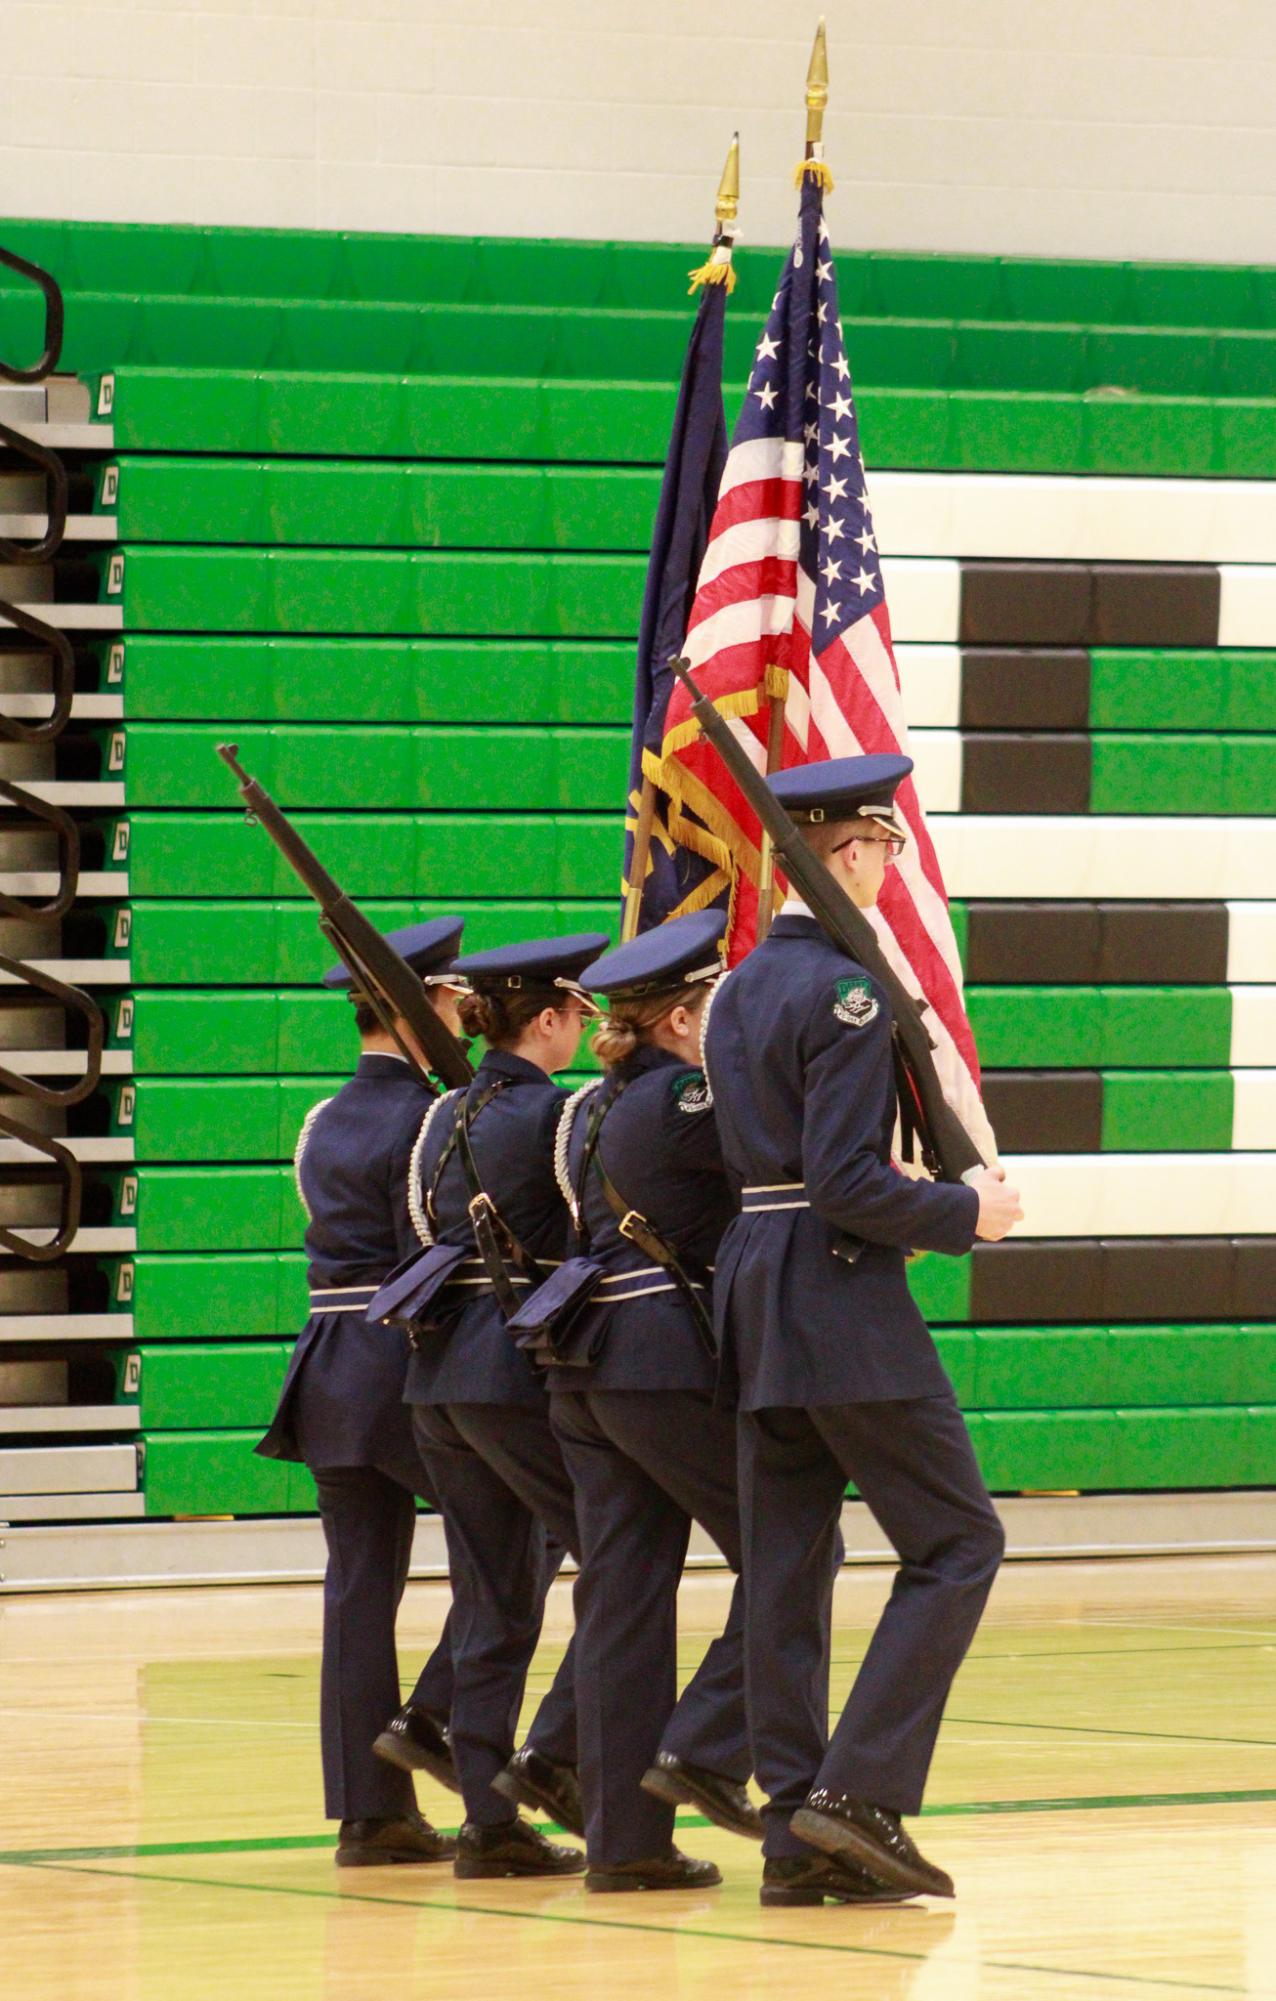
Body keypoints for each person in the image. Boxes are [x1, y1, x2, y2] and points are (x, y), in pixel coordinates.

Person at [704, 753, 1023, 1903]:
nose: (894, 866)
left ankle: (795, 1837)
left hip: (754, 1295)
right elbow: (841, 1181)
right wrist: (963, 1213)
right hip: (839, 1297)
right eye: (886, 846)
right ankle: (859, 1793)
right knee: (957, 1542)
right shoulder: (844, 989)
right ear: (849, 850)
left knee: (787, 1572)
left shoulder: (737, 987)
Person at [534, 911, 767, 1893]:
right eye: (713, 1003)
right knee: (791, 1547)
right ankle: (704, 1743)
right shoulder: (681, 1094)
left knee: (625, 1595)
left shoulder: (589, 1105)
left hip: (584, 1365)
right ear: (680, 1019)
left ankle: (625, 1843)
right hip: (659, 1358)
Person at [256, 918, 469, 1868]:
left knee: (357, 1590)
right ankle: (433, 1715)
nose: (465, 1015)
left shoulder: (317, 1122)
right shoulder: (432, 1119)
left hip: (330, 1367)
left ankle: (370, 1814)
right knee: (527, 1539)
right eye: (456, 1001)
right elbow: (436, 1252)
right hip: (409, 1365)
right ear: (424, 1004)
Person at [399, 932, 609, 1881]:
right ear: (555, 1019)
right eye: (578, 1014)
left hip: (438, 1372)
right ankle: (552, 1752)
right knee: (621, 1558)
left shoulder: (442, 1112)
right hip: (513, 1370)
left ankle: (490, 1822)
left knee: (492, 1598)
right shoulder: (559, 1119)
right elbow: (583, 1233)